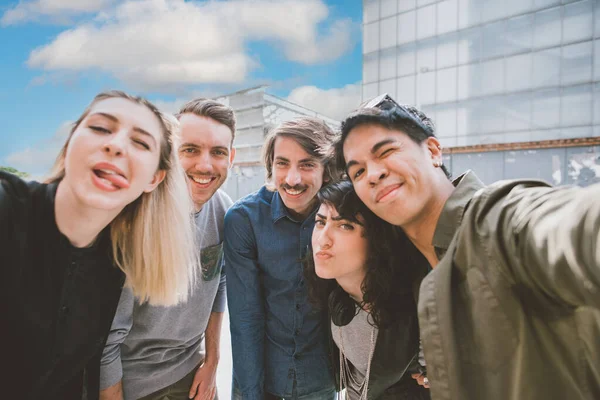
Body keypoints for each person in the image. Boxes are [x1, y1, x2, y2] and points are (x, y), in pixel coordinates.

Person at [336, 93, 600, 400]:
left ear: (433, 151)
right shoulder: (421, 273)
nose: (373, 174)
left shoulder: (496, 222)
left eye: (386, 151)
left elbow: (575, 227)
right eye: (358, 171)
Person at [1, 90, 198, 400]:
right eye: (100, 128)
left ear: (154, 179)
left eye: (141, 142)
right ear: (69, 146)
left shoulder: (115, 262)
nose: (115, 145)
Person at [99, 98, 236, 400]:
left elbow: (220, 281)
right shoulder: (135, 219)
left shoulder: (225, 210)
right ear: (169, 153)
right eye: (190, 150)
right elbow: (107, 334)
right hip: (129, 382)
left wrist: (212, 361)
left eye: (217, 152)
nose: (205, 165)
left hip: (191, 374)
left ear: (231, 157)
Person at [225, 117, 338, 400]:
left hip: (322, 380)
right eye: (282, 163)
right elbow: (245, 318)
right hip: (261, 379)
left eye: (307, 164)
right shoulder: (244, 219)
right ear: (271, 166)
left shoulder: (345, 215)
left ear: (326, 171)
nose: (292, 179)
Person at [304, 180, 430, 400]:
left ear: (377, 238)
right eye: (320, 222)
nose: (322, 240)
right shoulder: (335, 295)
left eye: (344, 225)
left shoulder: (414, 308)